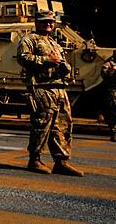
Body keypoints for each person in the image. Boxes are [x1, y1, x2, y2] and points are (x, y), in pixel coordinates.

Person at [16, 9, 84, 177]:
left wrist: (64, 67)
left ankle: (61, 162)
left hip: (59, 88)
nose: (48, 24)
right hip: (41, 87)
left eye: (51, 22)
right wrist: (47, 60)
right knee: (42, 125)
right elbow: (22, 58)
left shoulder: (54, 42)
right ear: (36, 22)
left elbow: (62, 63)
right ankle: (35, 159)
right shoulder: (29, 40)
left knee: (63, 126)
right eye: (45, 21)